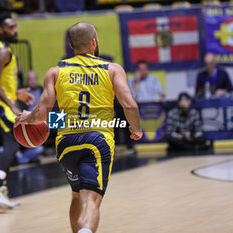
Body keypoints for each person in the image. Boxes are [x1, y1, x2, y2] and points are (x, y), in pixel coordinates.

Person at [14, 22, 142, 233]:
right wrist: (135, 129)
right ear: (94, 42)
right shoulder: (112, 69)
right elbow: (130, 105)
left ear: (71, 46)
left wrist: (28, 118)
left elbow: (43, 115)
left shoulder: (55, 72)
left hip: (66, 144)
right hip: (97, 141)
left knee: (77, 194)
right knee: (91, 198)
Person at [0, 13, 35, 208]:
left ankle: (1, 189)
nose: (15, 30)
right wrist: (10, 103)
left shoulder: (4, 50)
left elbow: (1, 81)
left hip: (3, 101)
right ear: (0, 30)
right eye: (10, 27)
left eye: (15, 27)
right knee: (13, 140)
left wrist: (17, 94)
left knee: (11, 142)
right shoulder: (2, 51)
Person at [16, 70, 44, 164]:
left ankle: (61, 146)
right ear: (26, 81)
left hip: (42, 118)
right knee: (39, 149)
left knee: (59, 118)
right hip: (29, 120)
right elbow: (21, 110)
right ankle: (22, 158)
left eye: (34, 78)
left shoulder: (42, 89)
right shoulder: (23, 92)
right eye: (30, 79)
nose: (32, 81)